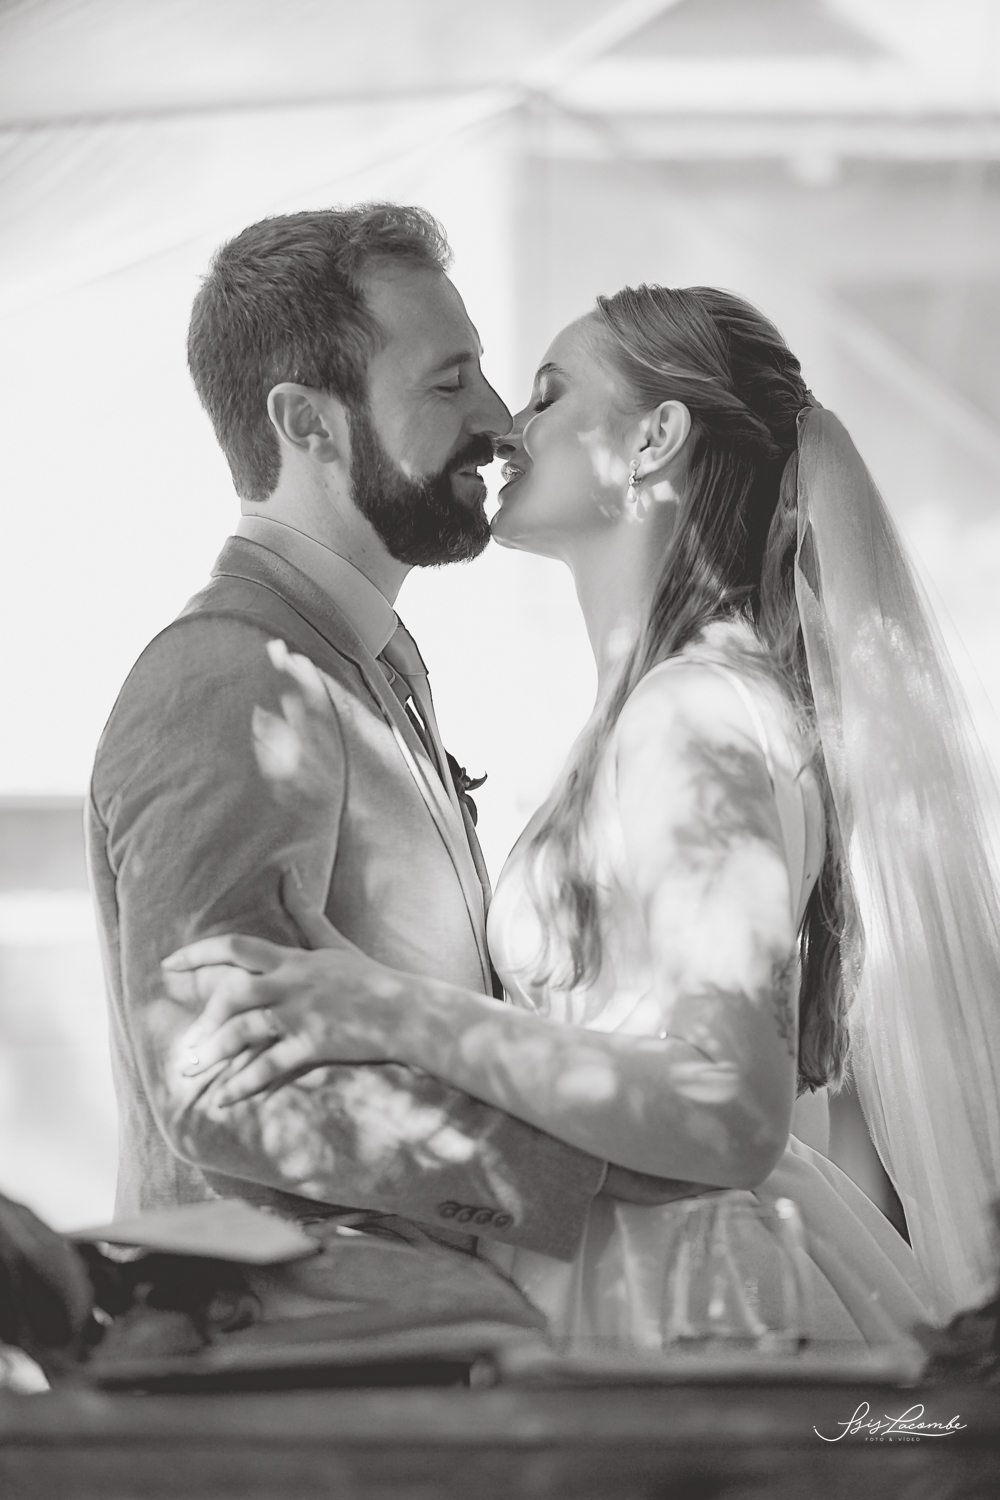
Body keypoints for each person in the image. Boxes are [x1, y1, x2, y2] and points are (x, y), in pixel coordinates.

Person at [166, 282, 1000, 1346]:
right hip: (618, 1269)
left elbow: (729, 1106)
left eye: (550, 393)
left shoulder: (697, 715)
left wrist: (384, 1009)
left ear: (653, 440)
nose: (507, 425)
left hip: (674, 1300)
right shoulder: (665, 710)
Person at [89, 207, 701, 1343]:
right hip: (302, 1364)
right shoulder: (235, 676)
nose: (498, 417)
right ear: (306, 423)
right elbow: (223, 1085)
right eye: (448, 381)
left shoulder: (368, 661)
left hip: (417, 1338)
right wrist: (590, 1167)